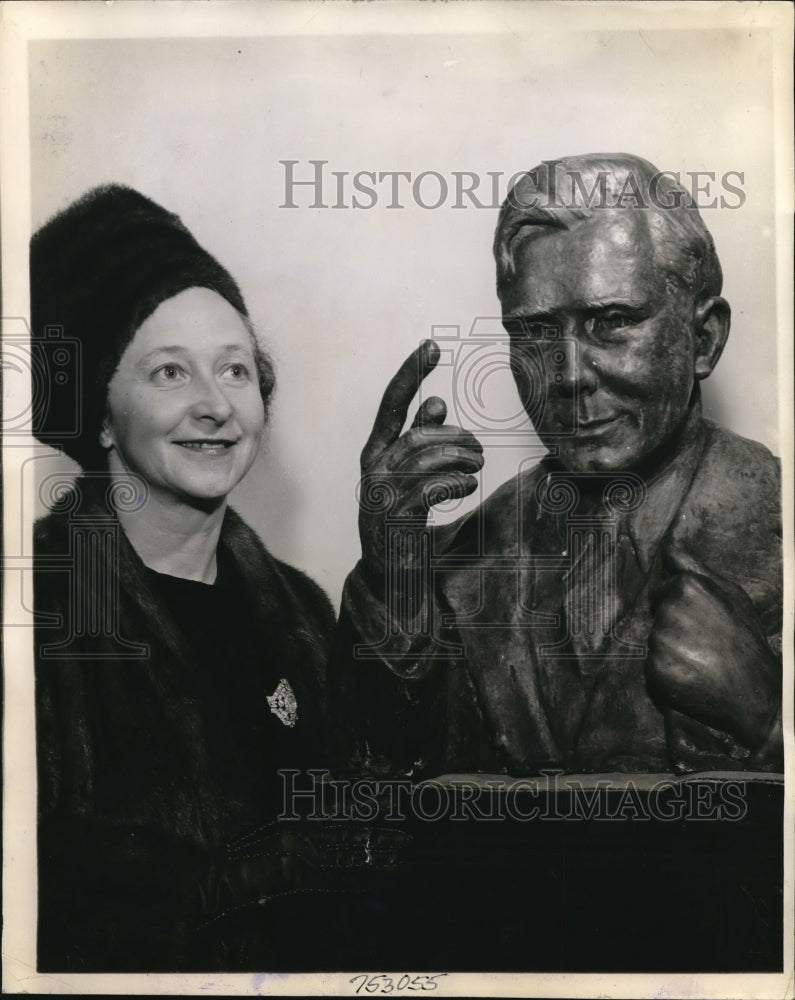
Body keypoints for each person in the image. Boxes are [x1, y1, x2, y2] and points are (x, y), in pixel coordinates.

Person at [333, 153, 782, 779]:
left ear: (703, 339)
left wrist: (770, 723)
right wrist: (393, 579)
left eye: (613, 322)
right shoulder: (453, 564)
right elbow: (375, 787)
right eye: (537, 333)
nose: (568, 376)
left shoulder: (779, 525)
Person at [31, 186, 336, 970]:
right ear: (101, 415)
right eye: (170, 372)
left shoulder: (303, 612)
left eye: (235, 370)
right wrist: (248, 882)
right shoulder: (34, 613)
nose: (214, 406)